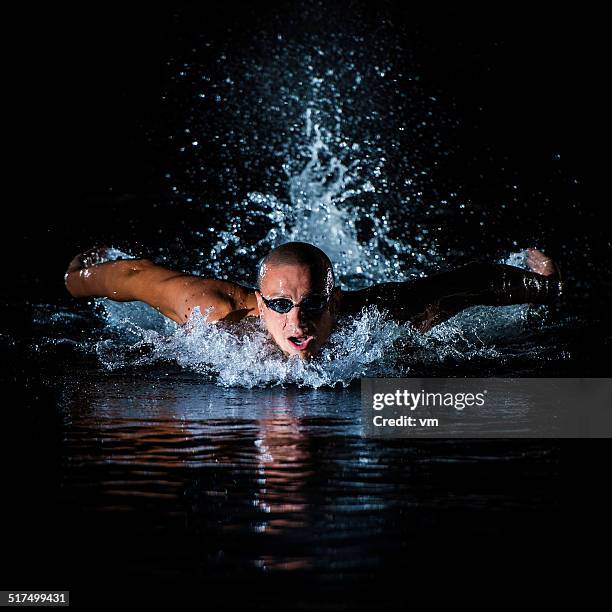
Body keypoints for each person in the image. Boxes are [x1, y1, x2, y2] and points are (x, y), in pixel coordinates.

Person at [64, 242, 563, 360]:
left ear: (336, 301)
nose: (297, 321)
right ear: (260, 304)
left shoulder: (378, 318)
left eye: (313, 305)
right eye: (280, 306)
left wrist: (543, 286)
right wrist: (76, 278)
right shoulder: (212, 313)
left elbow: (471, 283)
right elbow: (131, 277)